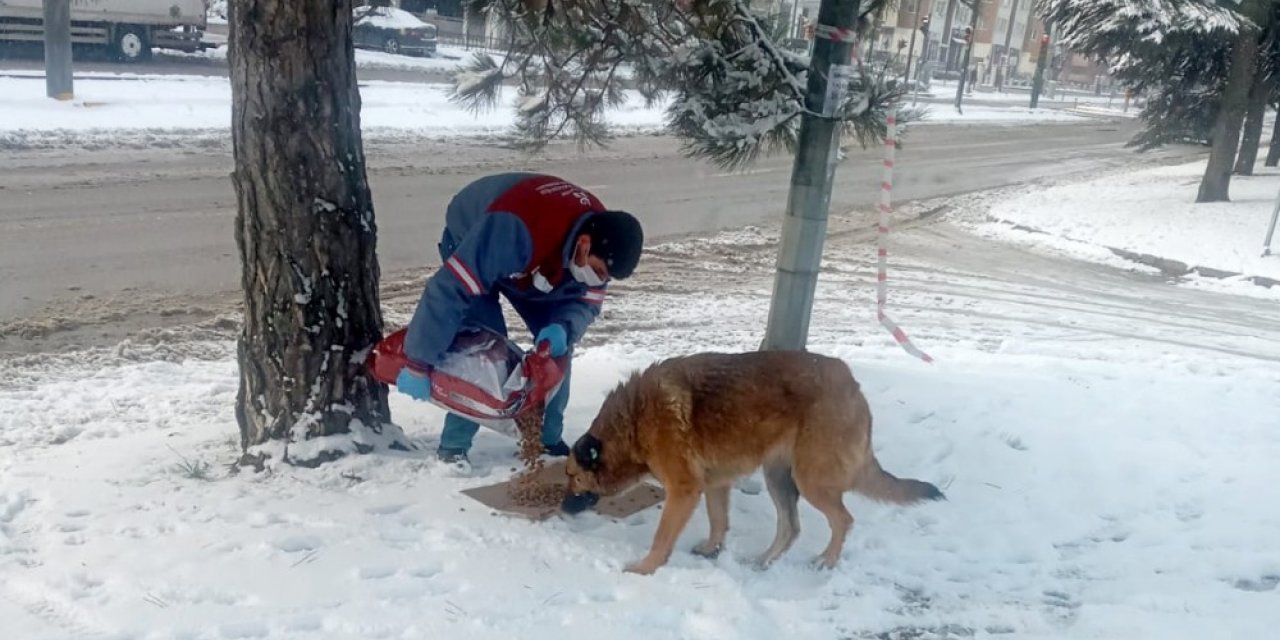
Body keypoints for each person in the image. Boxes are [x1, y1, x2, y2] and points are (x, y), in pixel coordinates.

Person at [395, 172, 644, 468]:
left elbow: (586, 303)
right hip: (478, 236)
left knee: (556, 351)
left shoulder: (607, 239)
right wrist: (417, 362)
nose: (599, 281)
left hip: (537, 264)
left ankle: (547, 440)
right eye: (599, 272)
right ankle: (453, 449)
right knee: (486, 352)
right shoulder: (515, 229)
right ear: (584, 245)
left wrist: (563, 328)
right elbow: (448, 290)